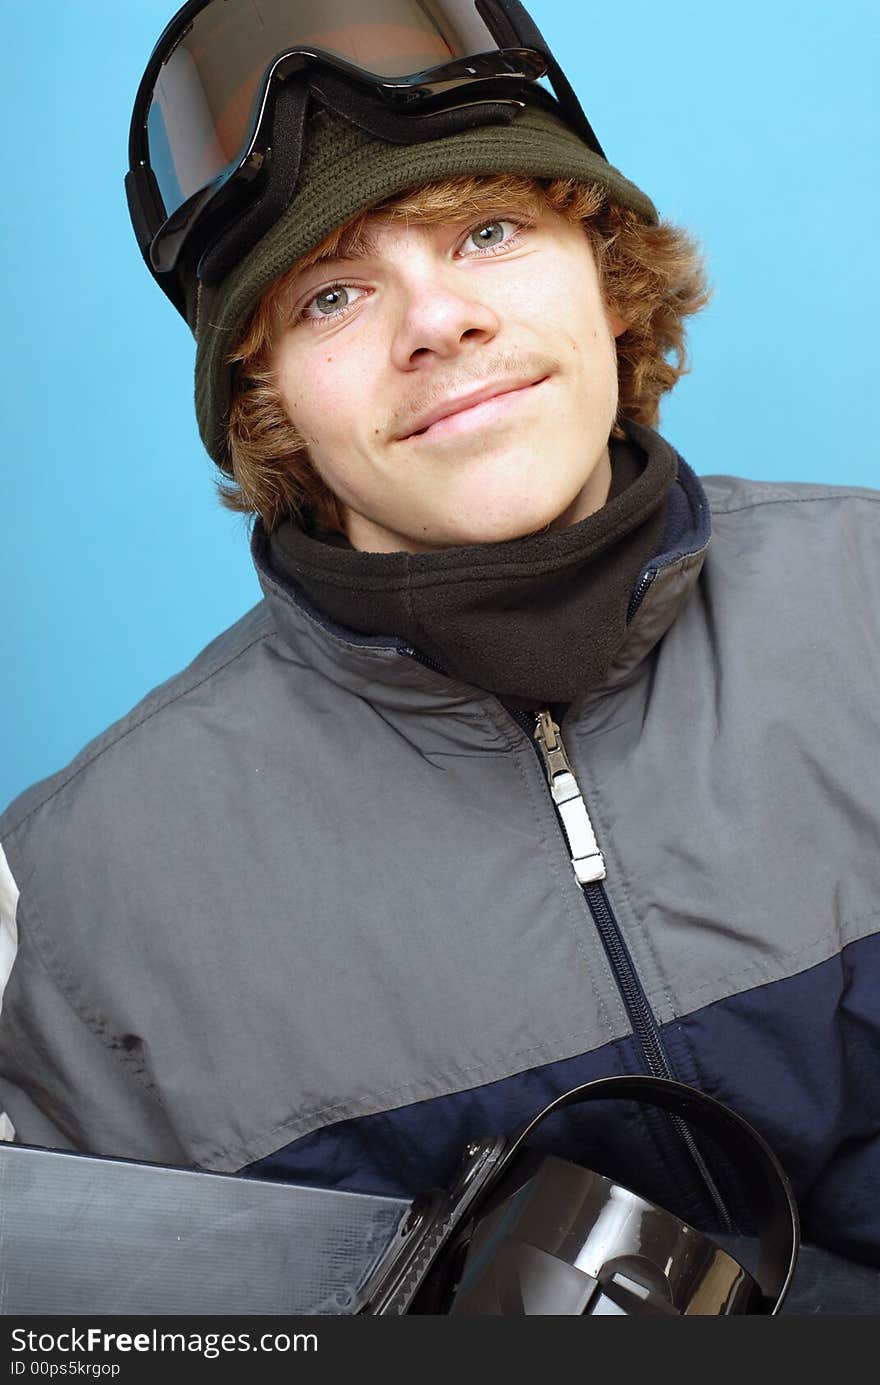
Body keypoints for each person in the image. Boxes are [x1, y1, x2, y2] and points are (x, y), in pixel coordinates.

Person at [1, 0, 878, 1312]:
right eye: (335, 291)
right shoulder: (81, 908)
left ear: (606, 267)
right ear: (269, 399)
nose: (439, 319)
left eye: (488, 229)